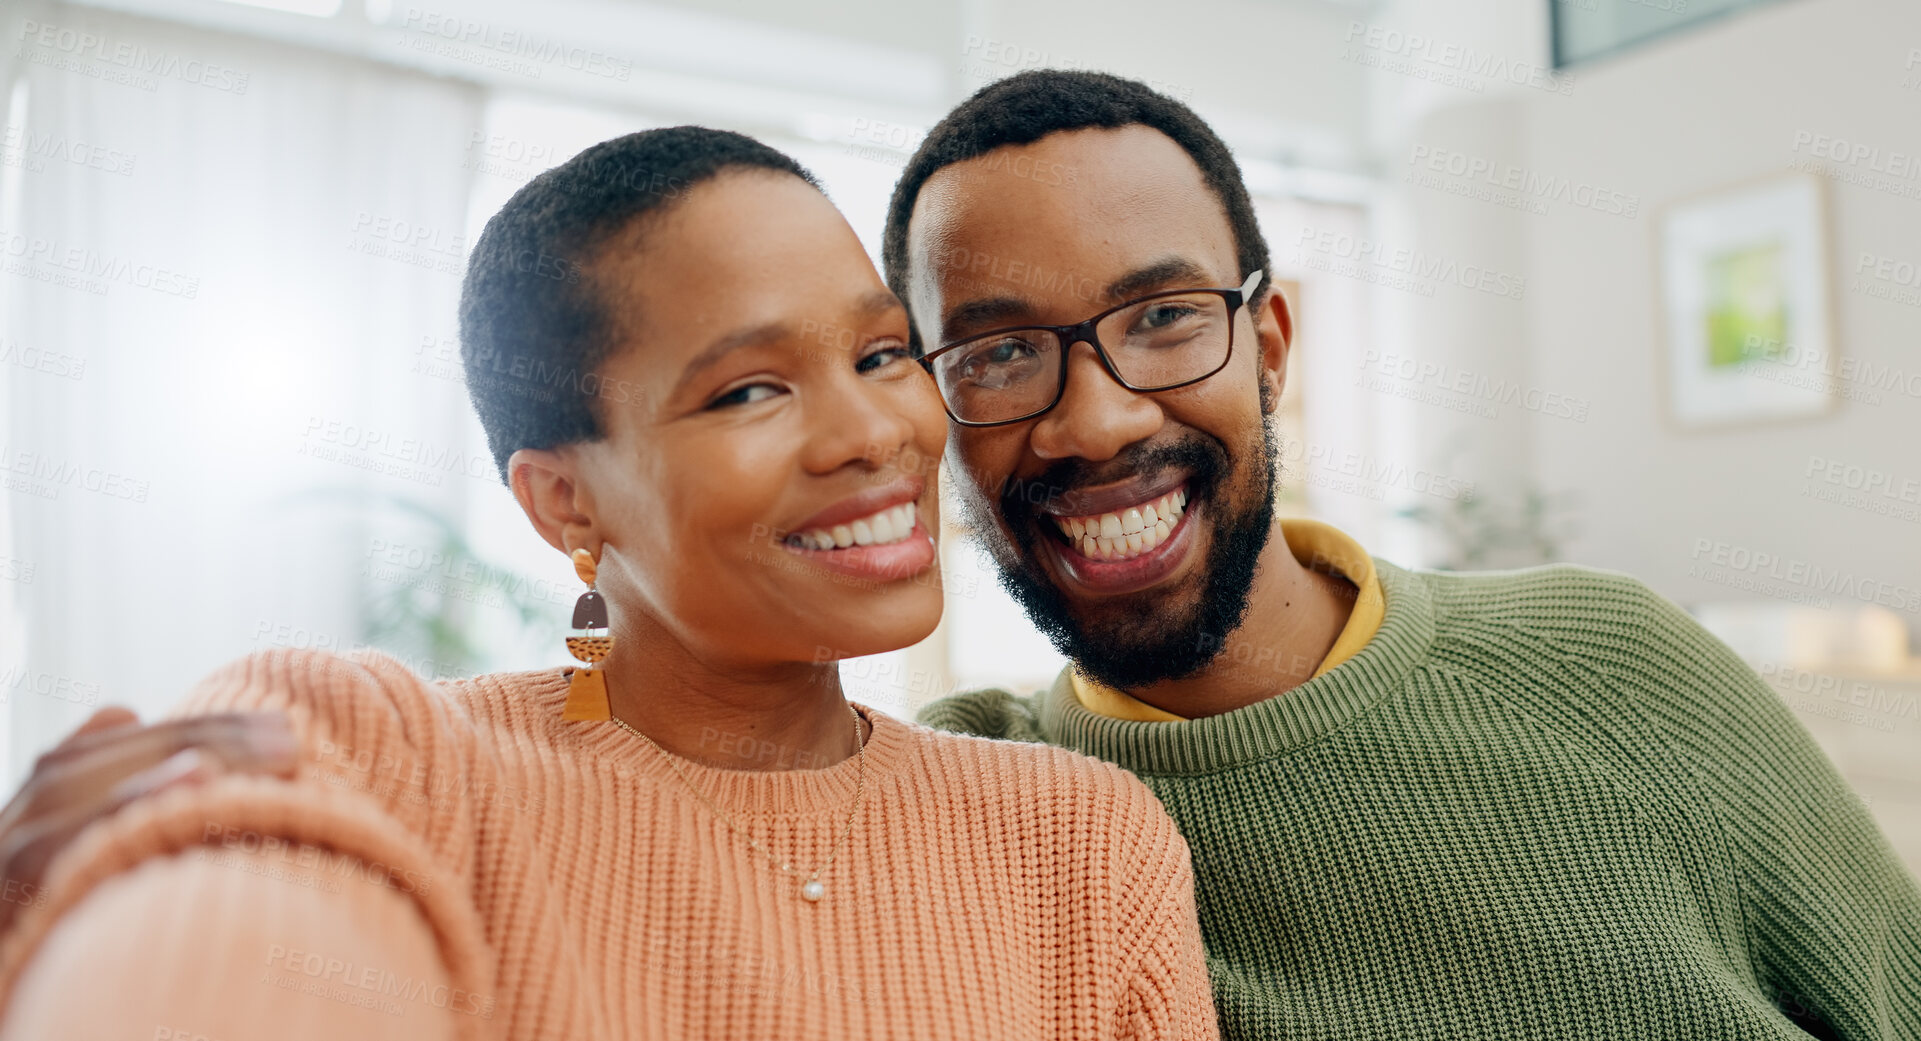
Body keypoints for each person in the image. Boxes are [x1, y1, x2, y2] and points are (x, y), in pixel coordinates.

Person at [0, 126, 1219, 1041]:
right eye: (747, 389)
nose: (873, 432)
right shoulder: (385, 757)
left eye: (881, 352)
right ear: (562, 501)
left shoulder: (1082, 842)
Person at [880, 70, 1921, 1040]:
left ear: (1271, 351)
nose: (1098, 422)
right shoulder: (968, 815)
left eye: (1163, 317)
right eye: (1000, 354)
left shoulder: (1613, 664)